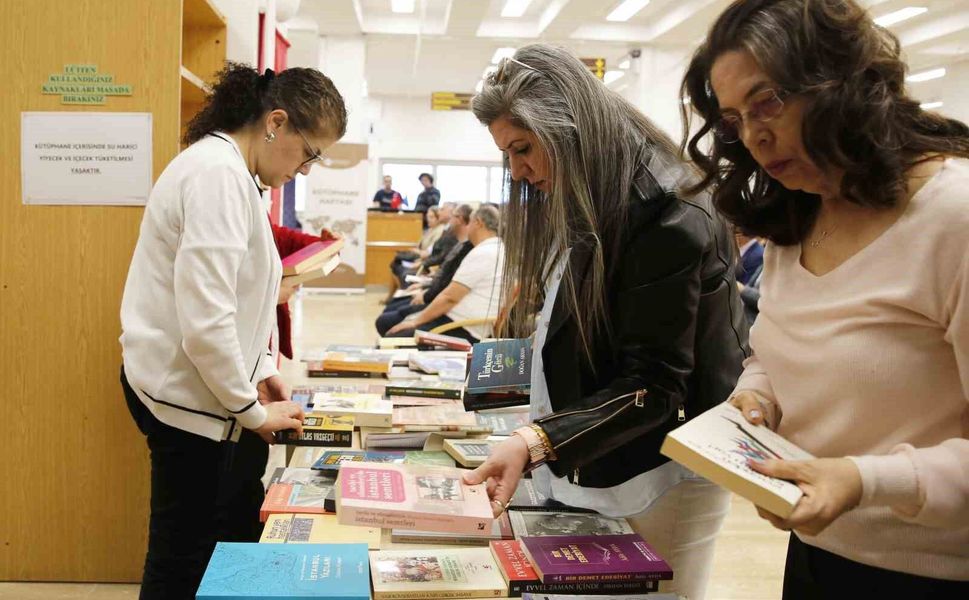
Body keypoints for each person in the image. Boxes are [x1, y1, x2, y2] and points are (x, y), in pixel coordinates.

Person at [681, 0, 969, 597]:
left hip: (932, 572)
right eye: (735, 119)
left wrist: (864, 481)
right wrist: (757, 398)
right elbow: (774, 352)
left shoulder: (953, 218)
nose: (755, 136)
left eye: (768, 102)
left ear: (842, 82)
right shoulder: (799, 213)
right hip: (817, 551)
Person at [461, 44, 749, 600]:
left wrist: (537, 438)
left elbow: (654, 383)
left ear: (568, 129)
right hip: (594, 455)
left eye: (523, 149)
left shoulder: (665, 214)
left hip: (657, 472)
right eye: (507, 156)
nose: (517, 171)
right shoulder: (589, 188)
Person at [119, 63, 346, 599]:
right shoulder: (216, 176)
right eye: (309, 153)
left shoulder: (236, 174)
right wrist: (253, 412)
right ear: (276, 122)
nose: (305, 169)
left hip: (209, 391)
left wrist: (261, 371)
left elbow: (241, 299)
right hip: (186, 398)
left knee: (230, 529)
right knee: (183, 556)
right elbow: (206, 322)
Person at [386, 205, 504, 342]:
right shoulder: (498, 248)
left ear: (478, 223)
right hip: (464, 322)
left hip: (460, 327)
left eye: (470, 223)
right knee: (398, 322)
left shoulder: (483, 253)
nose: (468, 227)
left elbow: (449, 298)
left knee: (392, 336)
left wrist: (415, 322)